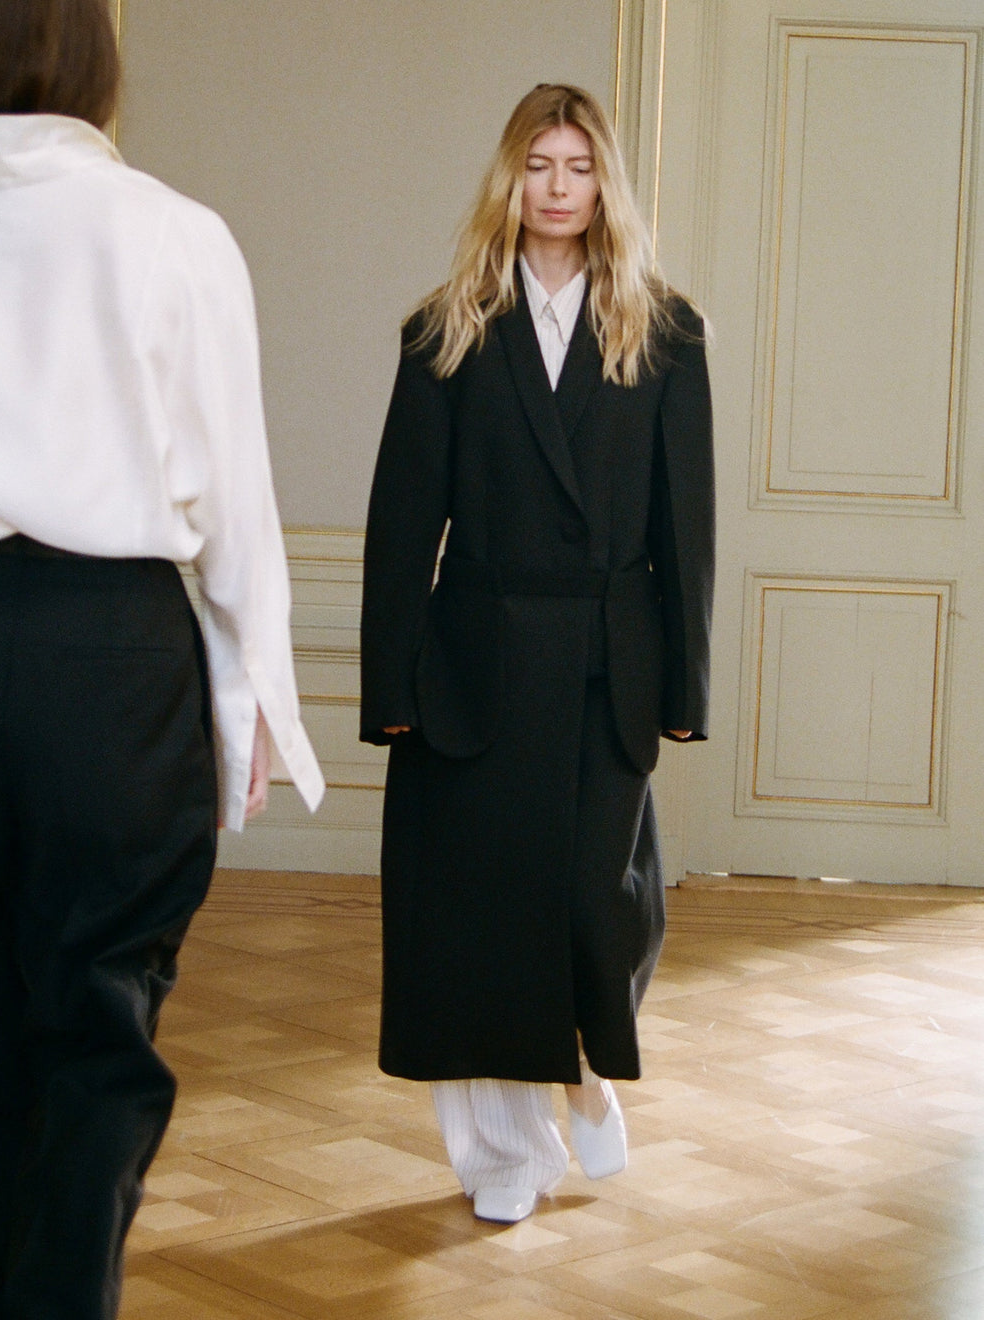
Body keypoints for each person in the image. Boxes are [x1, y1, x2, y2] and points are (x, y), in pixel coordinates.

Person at [0, 1, 324, 1315]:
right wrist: (254, 710)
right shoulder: (173, 233)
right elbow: (235, 505)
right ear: (98, 59)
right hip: (109, 663)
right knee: (91, 1028)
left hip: (92, 641)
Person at [360, 83, 714, 1225]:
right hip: (476, 662)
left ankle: (586, 1065)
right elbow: (402, 520)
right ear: (508, 179)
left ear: (605, 182)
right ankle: (503, 1156)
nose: (558, 189)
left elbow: (685, 524)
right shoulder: (447, 327)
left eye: (579, 167)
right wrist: (390, 680)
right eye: (538, 166)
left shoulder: (663, 330)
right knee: (471, 918)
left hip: (612, 658)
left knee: (595, 905)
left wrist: (687, 683)